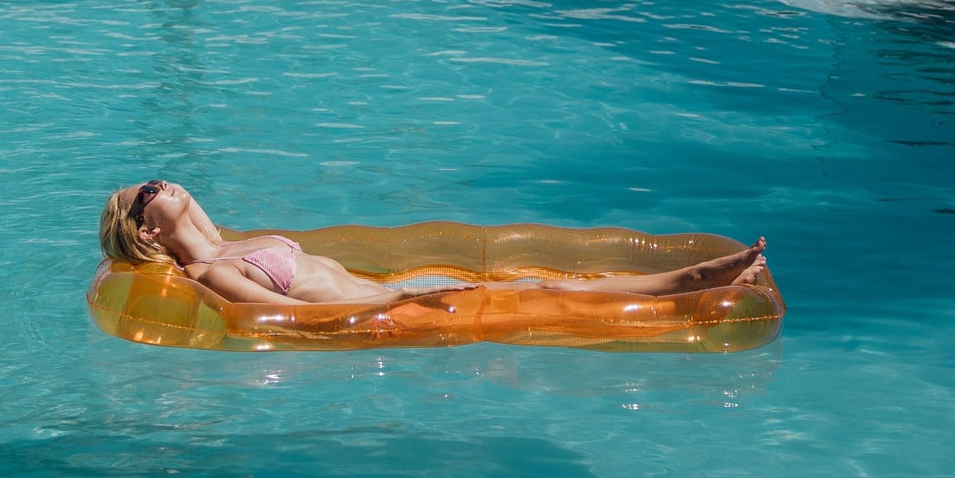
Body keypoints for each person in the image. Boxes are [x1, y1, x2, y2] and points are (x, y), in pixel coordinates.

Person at [98, 179, 768, 307]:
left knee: (551, 286)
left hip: (403, 294)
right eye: (149, 191)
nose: (164, 181)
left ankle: (699, 281)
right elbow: (296, 317)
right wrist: (402, 307)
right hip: (402, 307)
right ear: (147, 231)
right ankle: (695, 284)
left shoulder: (237, 241)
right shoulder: (210, 274)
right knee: (550, 290)